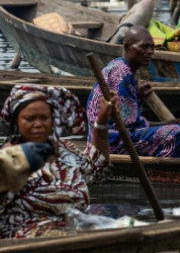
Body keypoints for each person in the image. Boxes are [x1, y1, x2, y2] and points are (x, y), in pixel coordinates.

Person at [0, 84, 116, 238]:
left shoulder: (65, 151)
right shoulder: (9, 159)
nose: (38, 124)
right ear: (17, 121)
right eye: (29, 119)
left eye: (44, 118)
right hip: (25, 243)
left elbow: (97, 172)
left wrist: (102, 121)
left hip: (77, 232)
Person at [86, 26, 180, 158]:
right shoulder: (123, 72)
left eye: (152, 47)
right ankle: (160, 169)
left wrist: (136, 93)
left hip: (107, 137)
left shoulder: (120, 66)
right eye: (144, 47)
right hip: (111, 141)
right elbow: (130, 125)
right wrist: (165, 124)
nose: (150, 52)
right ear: (127, 47)